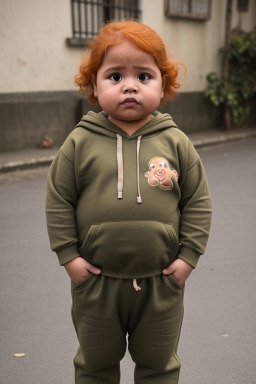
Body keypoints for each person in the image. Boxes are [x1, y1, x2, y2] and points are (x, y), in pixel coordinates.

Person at [46, 20, 212, 384]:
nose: (130, 86)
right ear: (93, 83)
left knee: (159, 365)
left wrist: (189, 257)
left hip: (161, 283)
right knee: (95, 365)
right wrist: (69, 257)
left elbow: (198, 201)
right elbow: (59, 200)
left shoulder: (176, 142)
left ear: (164, 84)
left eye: (144, 76)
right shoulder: (79, 143)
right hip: (96, 284)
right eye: (116, 76)